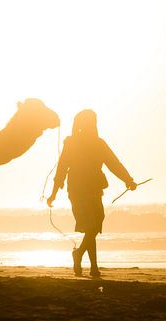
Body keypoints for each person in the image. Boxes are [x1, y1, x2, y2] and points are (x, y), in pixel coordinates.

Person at [46, 109, 137, 278]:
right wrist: (53, 194)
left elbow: (113, 163)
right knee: (91, 226)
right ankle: (93, 266)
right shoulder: (71, 143)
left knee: (94, 226)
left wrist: (128, 179)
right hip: (77, 190)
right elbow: (62, 168)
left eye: (93, 121)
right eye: (90, 121)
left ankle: (79, 254)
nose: (92, 124)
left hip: (95, 190)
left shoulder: (99, 143)